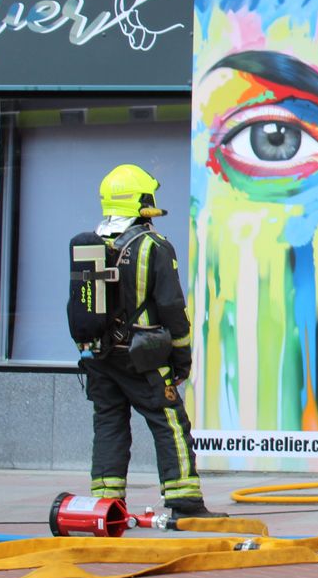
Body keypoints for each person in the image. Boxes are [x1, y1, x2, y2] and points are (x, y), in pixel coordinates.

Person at [67, 164, 223, 520]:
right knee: (169, 421)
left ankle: (107, 505)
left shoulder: (92, 243)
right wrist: (181, 358)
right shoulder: (154, 246)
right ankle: (184, 501)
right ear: (142, 201)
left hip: (98, 357)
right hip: (143, 358)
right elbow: (171, 308)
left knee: (109, 423)